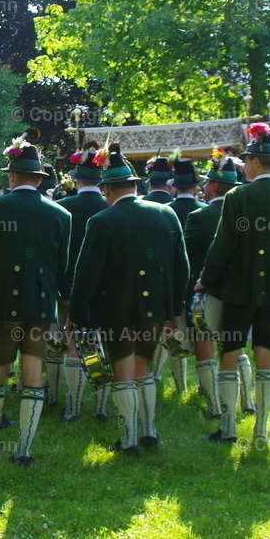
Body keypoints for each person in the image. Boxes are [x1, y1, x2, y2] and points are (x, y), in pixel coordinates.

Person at [69, 143, 189, 456]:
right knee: (144, 368)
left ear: (106, 188)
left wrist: (77, 315)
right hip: (154, 309)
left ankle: (129, 439)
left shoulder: (102, 221)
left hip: (116, 309)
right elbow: (182, 267)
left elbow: (86, 275)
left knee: (122, 370)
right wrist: (173, 308)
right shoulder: (167, 214)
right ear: (134, 186)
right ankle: (149, 430)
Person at [197, 123, 270, 444]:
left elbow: (224, 245)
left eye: (246, 161)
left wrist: (205, 280)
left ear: (258, 162)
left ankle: (229, 429)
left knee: (230, 352)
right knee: (266, 352)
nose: (243, 166)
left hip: (240, 290)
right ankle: (261, 429)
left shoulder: (239, 195)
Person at [0, 130, 71, 465]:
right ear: (39, 179)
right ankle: (23, 449)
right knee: (33, 372)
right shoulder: (61, 215)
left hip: (1, 303)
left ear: (12, 176)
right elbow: (63, 266)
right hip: (40, 304)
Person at [183, 150, 244, 419]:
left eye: (207, 182)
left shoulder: (200, 216)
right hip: (240, 290)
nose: (204, 187)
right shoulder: (246, 215)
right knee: (236, 345)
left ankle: (213, 404)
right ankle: (247, 401)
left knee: (204, 343)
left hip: (204, 291)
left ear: (216, 185)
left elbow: (183, 256)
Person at [56, 142, 110, 421]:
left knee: (71, 344)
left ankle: (72, 407)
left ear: (76, 179)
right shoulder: (110, 206)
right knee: (102, 343)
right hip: (106, 290)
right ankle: (100, 407)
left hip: (66, 288)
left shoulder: (61, 207)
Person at [161, 158, 207, 393]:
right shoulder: (207, 212)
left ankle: (179, 386)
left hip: (170, 284)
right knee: (203, 337)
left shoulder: (164, 212)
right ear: (196, 187)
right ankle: (204, 386)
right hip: (204, 285)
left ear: (174, 186)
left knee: (173, 334)